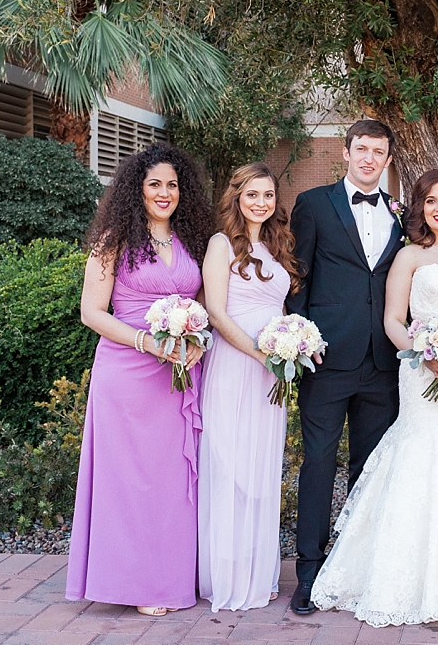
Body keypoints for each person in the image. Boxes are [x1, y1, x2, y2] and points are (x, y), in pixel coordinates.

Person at [310, 169, 438, 625]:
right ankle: (406, 576)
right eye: (429, 201)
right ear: (419, 208)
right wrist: (425, 354)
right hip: (424, 374)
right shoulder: (408, 256)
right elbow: (392, 321)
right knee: (423, 459)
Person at [67, 144, 215, 616]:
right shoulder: (113, 239)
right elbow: (91, 312)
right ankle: (137, 584)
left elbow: (209, 305)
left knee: (171, 481)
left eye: (172, 184)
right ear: (137, 189)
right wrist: (147, 342)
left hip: (178, 375)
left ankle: (170, 575)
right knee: (130, 482)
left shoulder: (193, 240)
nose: (165, 193)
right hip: (128, 375)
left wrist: (197, 339)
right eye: (155, 184)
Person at [285, 120, 404, 615]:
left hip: (382, 363)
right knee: (317, 463)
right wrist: (301, 337)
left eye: (379, 152)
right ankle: (308, 571)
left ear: (389, 159)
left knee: (369, 468)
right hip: (327, 359)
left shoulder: (402, 215)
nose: (370, 158)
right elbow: (298, 279)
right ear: (346, 152)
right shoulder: (313, 205)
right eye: (362, 149)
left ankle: (357, 567)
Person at [199, 163, 301, 611]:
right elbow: (217, 314)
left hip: (271, 373)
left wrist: (290, 349)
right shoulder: (220, 245)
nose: (261, 203)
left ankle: (258, 570)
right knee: (230, 464)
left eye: (268, 195)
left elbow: (279, 307)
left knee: (261, 468)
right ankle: (228, 574)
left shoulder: (277, 246)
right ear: (236, 197)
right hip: (236, 365)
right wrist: (261, 354)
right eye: (252, 194)